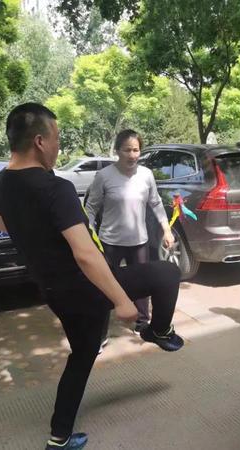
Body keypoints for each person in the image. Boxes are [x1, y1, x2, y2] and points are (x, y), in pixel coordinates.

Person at [0, 103, 184, 450]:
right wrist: (121, 301)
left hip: (53, 290)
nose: (58, 146)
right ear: (39, 141)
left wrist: (36, 234)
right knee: (167, 273)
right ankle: (159, 329)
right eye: (56, 138)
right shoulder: (56, 188)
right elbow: (85, 253)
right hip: (84, 286)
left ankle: (59, 437)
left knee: (83, 354)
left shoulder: (3, 181)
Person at [84, 129, 175, 335]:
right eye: (127, 150)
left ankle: (142, 321)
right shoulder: (104, 176)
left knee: (144, 285)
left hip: (139, 242)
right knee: (104, 286)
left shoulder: (146, 175)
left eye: (136, 150)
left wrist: (167, 230)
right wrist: (89, 234)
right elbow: (91, 207)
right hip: (110, 242)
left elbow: (156, 203)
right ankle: (100, 331)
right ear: (117, 151)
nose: (132, 155)